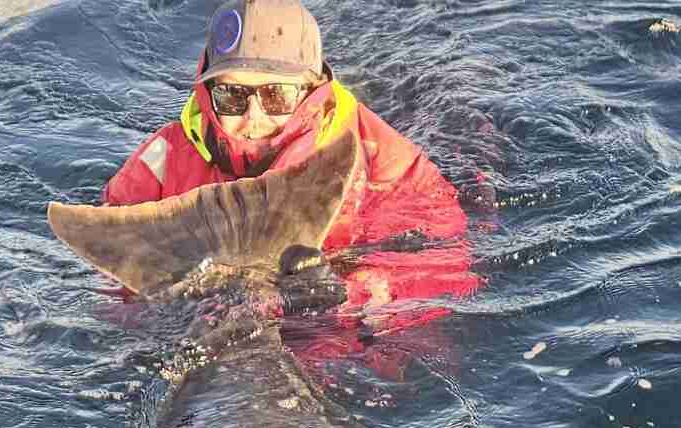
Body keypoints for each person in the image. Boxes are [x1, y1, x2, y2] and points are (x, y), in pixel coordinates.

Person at [100, 0, 481, 368]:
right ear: (207, 90)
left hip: (332, 331)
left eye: (275, 95)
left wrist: (354, 290)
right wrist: (173, 308)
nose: (254, 117)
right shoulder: (163, 160)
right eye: (231, 95)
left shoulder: (382, 157)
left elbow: (444, 255)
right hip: (217, 332)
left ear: (311, 88)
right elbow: (113, 271)